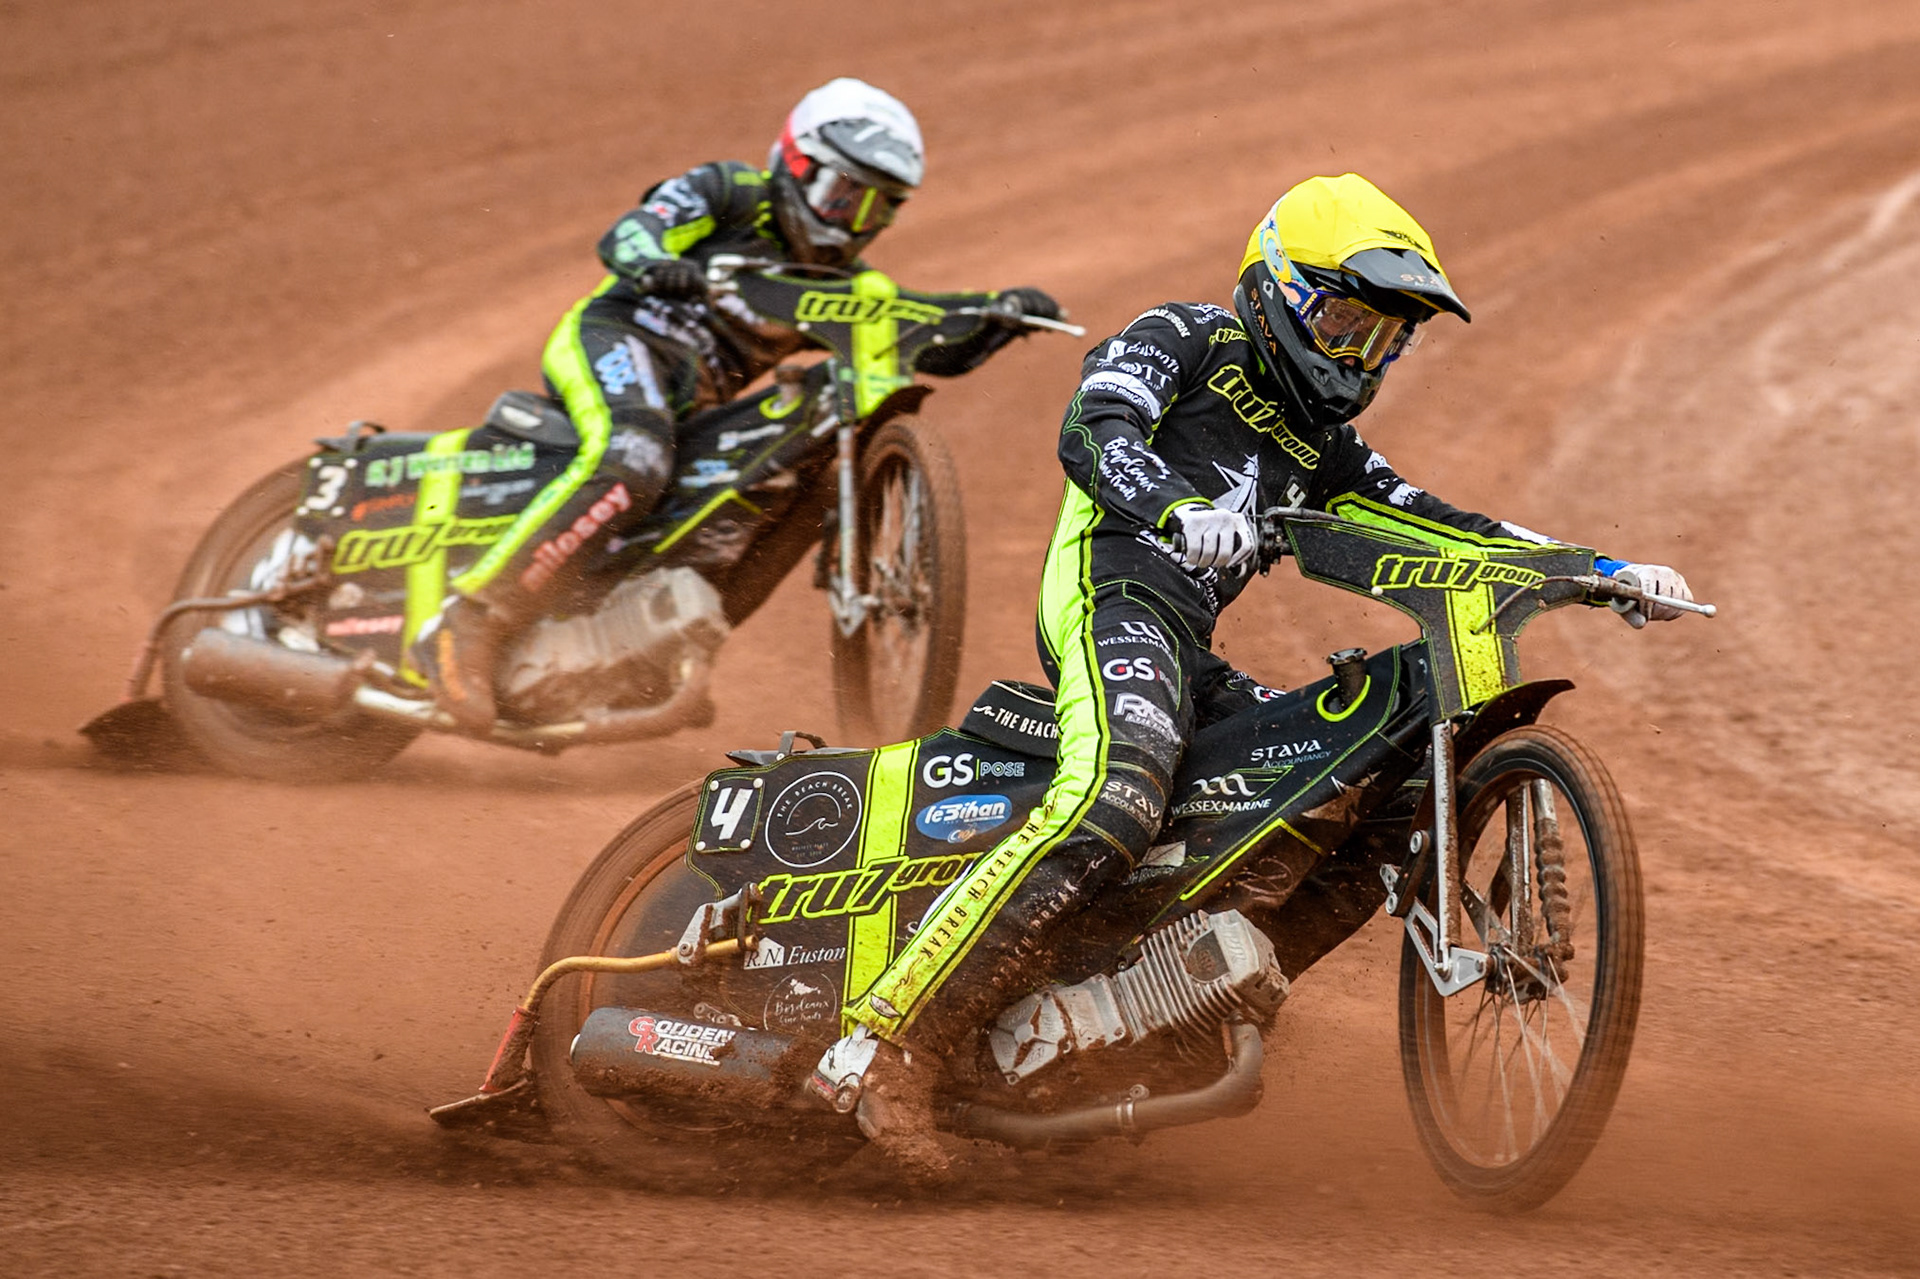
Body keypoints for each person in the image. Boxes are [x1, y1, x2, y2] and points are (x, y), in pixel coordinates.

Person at [815, 172, 1694, 1165]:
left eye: (1381, 338)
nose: (1358, 354)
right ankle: (882, 1043)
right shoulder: (1184, 335)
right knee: (1117, 793)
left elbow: (1441, 525)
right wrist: (1177, 507)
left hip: (1187, 650)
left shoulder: (1326, 445)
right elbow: (1092, 431)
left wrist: (1596, 569)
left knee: (1339, 801)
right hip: (1111, 596)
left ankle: (1133, 1021)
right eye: (1344, 322)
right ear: (1277, 285)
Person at [412, 77, 1061, 731]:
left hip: (689, 405)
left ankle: (644, 644)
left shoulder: (842, 286)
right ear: (796, 164)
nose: (850, 225)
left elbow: (922, 337)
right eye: (842, 196)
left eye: (874, 211)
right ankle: (468, 621)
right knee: (633, 455)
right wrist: (658, 264)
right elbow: (631, 233)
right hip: (617, 339)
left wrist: (998, 315)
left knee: (787, 485)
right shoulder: (729, 192)